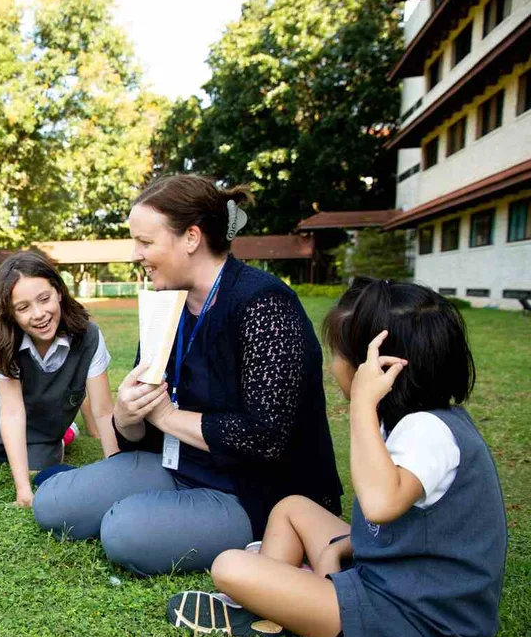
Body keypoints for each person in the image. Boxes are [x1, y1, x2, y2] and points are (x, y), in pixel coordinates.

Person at [167, 279, 507, 637]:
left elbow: (380, 505)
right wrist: (341, 547)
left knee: (229, 567)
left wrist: (362, 404)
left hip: (415, 619)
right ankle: (276, 604)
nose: (333, 367)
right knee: (293, 508)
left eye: (339, 355)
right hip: (397, 581)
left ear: (374, 367)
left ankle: (276, 601)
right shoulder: (413, 421)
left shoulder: (427, 431)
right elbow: (408, 529)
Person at [33, 174, 342, 575]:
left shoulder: (265, 304)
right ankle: (119, 500)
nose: (136, 254)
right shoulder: (166, 306)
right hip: (177, 465)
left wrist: (166, 416)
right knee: (53, 506)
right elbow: (145, 434)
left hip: (254, 492)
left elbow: (265, 437)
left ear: (192, 237)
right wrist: (127, 417)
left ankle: (147, 512)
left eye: (145, 242)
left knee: (124, 533)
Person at [0, 252, 120, 507]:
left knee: (45, 463)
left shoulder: (89, 336)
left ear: (58, 292)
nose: (38, 314)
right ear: (10, 313)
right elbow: (12, 415)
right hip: (10, 413)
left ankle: (66, 431)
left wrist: (117, 470)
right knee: (6, 454)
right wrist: (23, 491)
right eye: (23, 308)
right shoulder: (4, 343)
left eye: (44, 299)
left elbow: (103, 411)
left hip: (46, 425)